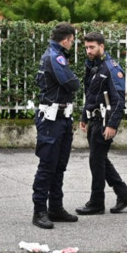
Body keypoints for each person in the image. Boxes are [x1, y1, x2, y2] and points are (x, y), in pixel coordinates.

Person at [76, 32, 127, 216]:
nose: (89, 51)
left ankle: (96, 202)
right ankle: (124, 195)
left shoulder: (111, 68)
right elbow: (91, 95)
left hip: (104, 121)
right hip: (94, 120)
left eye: (92, 47)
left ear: (102, 46)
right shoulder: (93, 67)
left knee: (96, 160)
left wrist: (112, 124)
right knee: (100, 159)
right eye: (86, 47)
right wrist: (84, 117)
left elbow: (119, 100)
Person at [31, 22, 81, 229]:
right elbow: (72, 84)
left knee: (59, 166)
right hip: (52, 120)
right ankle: (40, 211)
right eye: (73, 40)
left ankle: (55, 208)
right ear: (67, 39)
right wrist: (75, 80)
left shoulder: (54, 55)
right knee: (47, 166)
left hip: (61, 118)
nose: (73, 44)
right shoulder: (55, 57)